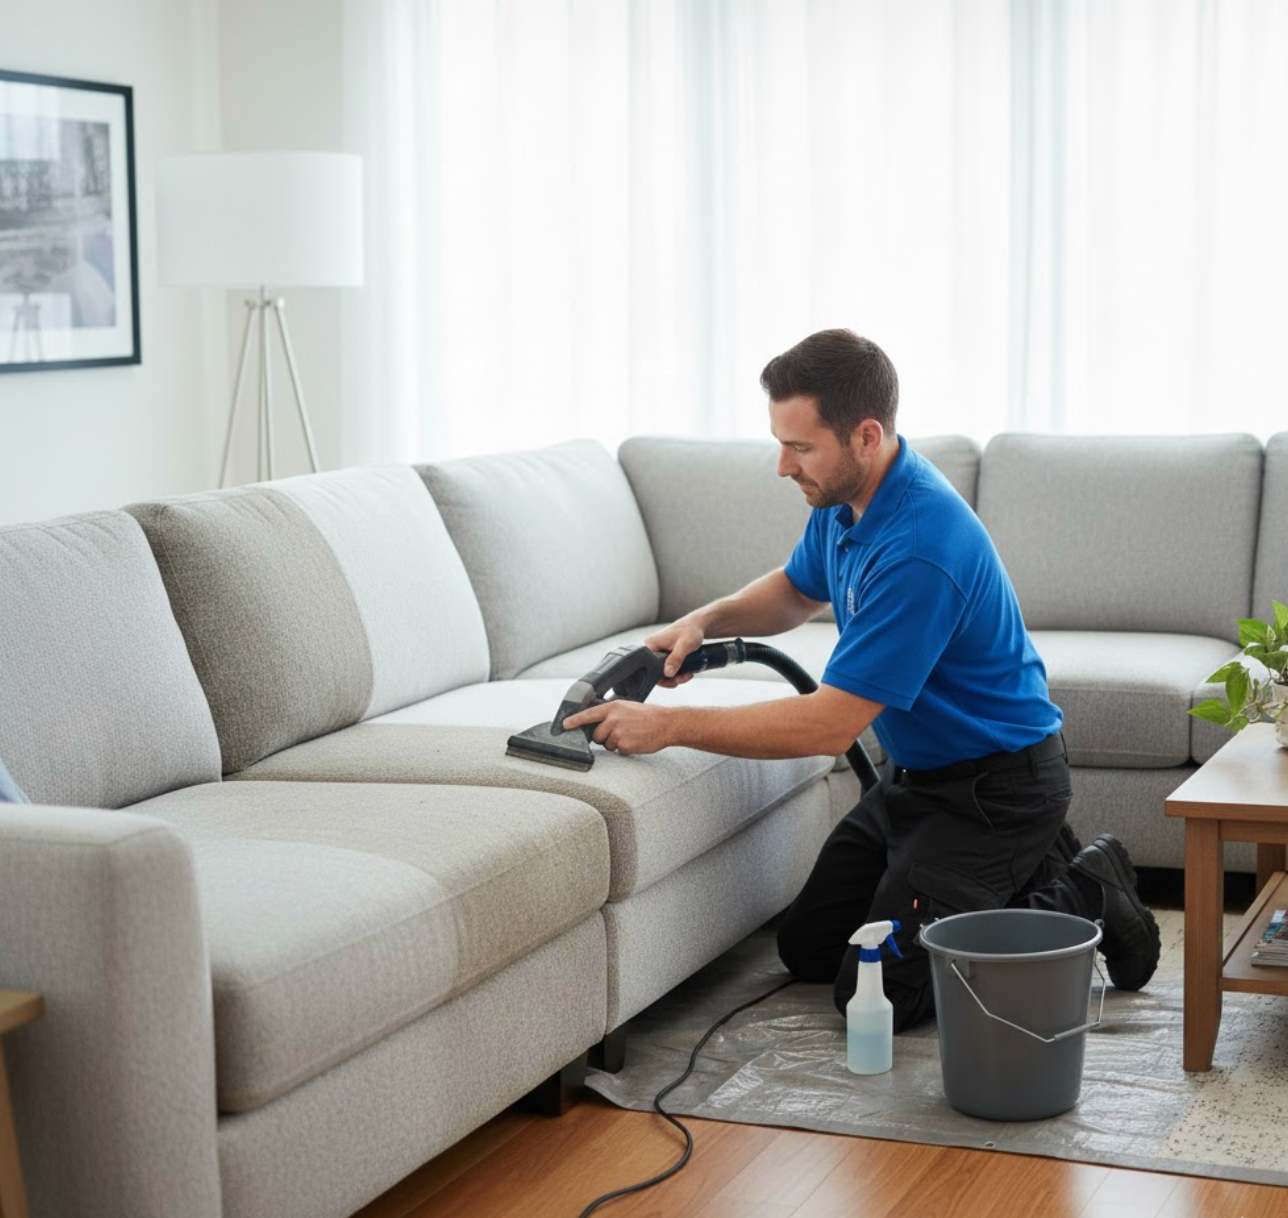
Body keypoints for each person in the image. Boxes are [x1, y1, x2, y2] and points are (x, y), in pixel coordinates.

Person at [564, 327, 1161, 1029]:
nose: (784, 467)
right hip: (918, 784)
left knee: (880, 994)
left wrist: (667, 726)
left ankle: (1088, 886)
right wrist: (705, 620)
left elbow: (828, 726)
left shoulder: (920, 546)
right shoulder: (847, 501)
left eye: (801, 447)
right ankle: (1013, 875)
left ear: (866, 435)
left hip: (995, 793)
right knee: (810, 949)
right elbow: (795, 589)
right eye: (780, 442)